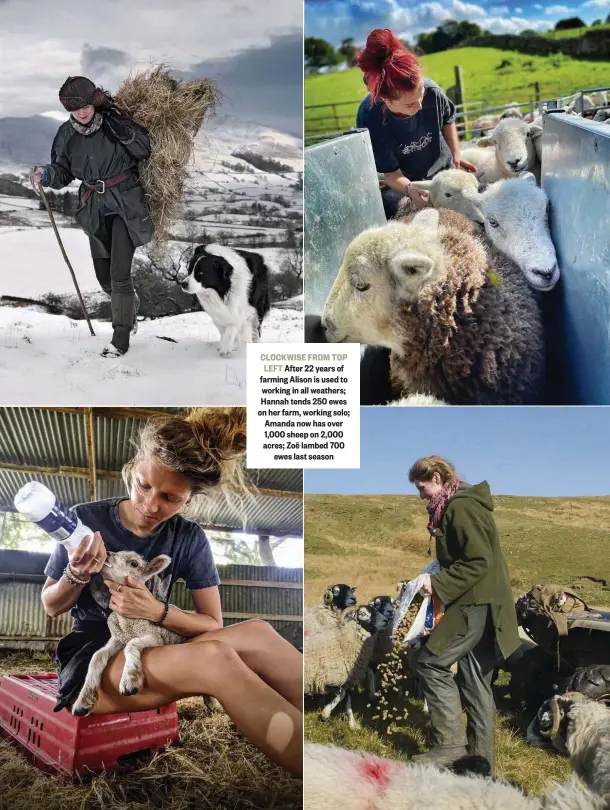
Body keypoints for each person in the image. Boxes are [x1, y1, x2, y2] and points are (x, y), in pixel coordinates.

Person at [40, 408, 303, 776]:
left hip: (158, 642)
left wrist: (157, 612)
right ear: (133, 470)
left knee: (258, 631)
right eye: (144, 485)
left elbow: (212, 622)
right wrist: (77, 573)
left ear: (188, 500)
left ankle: (333, 730)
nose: (151, 505)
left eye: (169, 498)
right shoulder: (85, 520)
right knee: (215, 658)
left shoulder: (188, 538)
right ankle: (330, 776)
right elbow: (51, 606)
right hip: (97, 658)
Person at [407, 455, 520, 774]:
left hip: (473, 604)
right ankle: (480, 763)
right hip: (487, 604)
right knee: (475, 680)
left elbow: (477, 561)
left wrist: (438, 583)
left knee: (430, 661)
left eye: (422, 488)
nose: (421, 497)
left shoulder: (460, 507)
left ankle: (450, 746)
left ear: (439, 479)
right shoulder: (459, 504)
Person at [30, 76, 153, 358]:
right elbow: (62, 171)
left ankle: (120, 339)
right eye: (75, 109)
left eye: (85, 105)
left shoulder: (116, 122)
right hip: (94, 208)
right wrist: (45, 174)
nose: (82, 112)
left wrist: (127, 133)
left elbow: (145, 150)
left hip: (125, 203)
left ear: (94, 101)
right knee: (104, 278)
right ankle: (128, 304)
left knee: (120, 274)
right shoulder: (65, 135)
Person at [356, 29, 478, 219]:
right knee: (392, 205)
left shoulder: (433, 92)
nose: (420, 106)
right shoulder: (370, 117)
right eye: (410, 104)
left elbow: (448, 119)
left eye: (421, 95)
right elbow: (391, 174)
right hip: (407, 180)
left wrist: (456, 156)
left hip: (443, 170)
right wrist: (410, 189)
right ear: (385, 99)